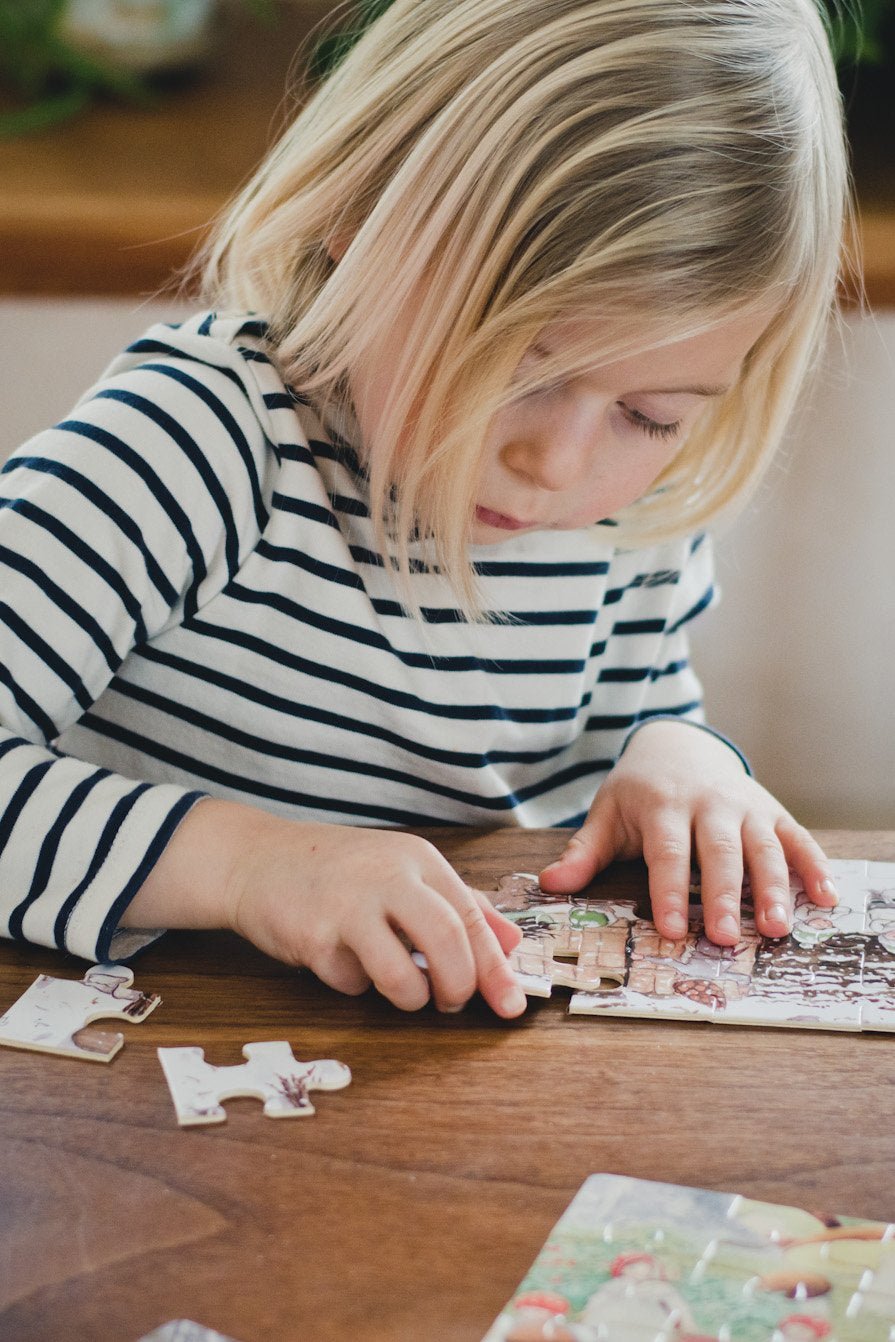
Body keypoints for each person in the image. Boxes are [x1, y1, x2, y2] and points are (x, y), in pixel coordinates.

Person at [0, 0, 848, 1019]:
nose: (554, 464)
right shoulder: (195, 444)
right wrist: (244, 867)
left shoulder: (638, 507)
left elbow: (637, 711)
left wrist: (676, 757)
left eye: (649, 413)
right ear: (357, 219)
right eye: (516, 369)